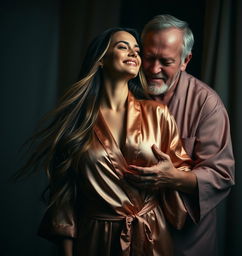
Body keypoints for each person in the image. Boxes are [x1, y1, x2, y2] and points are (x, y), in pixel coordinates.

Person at [21, 27, 194, 256]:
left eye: (137, 49)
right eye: (123, 46)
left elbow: (183, 172)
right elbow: (64, 196)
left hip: (151, 235)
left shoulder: (158, 113)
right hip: (95, 238)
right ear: (101, 59)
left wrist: (170, 175)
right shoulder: (77, 121)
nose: (133, 53)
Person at [124, 15, 235, 256]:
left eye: (166, 61)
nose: (154, 69)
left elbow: (221, 175)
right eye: (149, 58)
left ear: (185, 60)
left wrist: (172, 178)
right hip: (129, 237)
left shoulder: (207, 104)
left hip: (185, 242)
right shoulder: (121, 90)